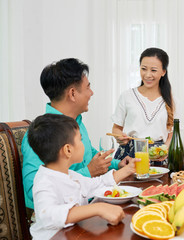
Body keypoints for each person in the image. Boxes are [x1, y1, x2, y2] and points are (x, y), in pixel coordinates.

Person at [22, 58, 129, 209]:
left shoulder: (76, 122)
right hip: (65, 219)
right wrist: (89, 172)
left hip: (92, 200)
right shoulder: (40, 135)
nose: (91, 93)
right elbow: (33, 190)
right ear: (72, 94)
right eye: (88, 87)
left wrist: (118, 164)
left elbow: (89, 153)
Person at [27, 114, 138, 239]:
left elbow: (98, 184)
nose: (83, 144)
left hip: (75, 233)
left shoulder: (71, 175)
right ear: (68, 150)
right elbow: (48, 215)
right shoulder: (44, 181)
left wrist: (128, 170)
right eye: (80, 139)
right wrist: (98, 208)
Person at [112, 47, 175, 161]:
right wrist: (119, 137)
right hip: (128, 156)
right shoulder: (127, 96)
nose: (147, 75)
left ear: (163, 72)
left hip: (158, 156)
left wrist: (164, 150)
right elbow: (116, 128)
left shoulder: (172, 100)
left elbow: (172, 134)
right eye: (144, 69)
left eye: (153, 70)